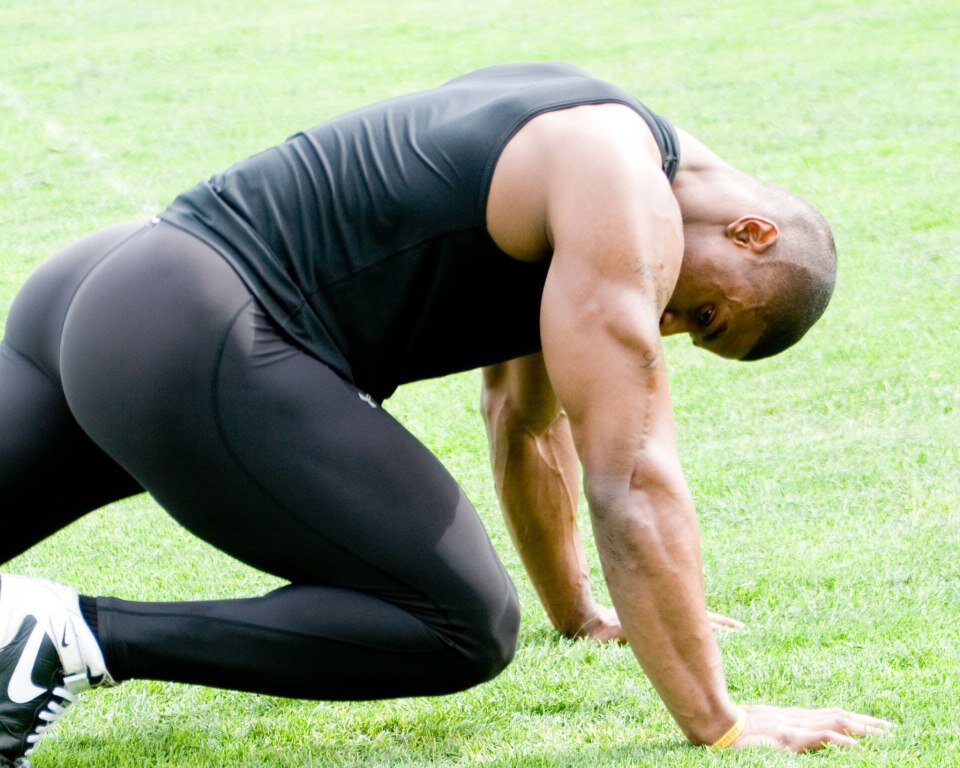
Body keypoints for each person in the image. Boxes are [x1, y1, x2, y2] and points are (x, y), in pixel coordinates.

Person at [0, 62, 890, 765]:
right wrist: (720, 721)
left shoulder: (582, 131)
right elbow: (632, 478)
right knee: (458, 623)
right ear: (751, 233)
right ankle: (73, 636)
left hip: (109, 289)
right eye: (707, 316)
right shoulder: (624, 197)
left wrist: (578, 611)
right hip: (196, 327)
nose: (670, 325)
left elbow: (524, 419)